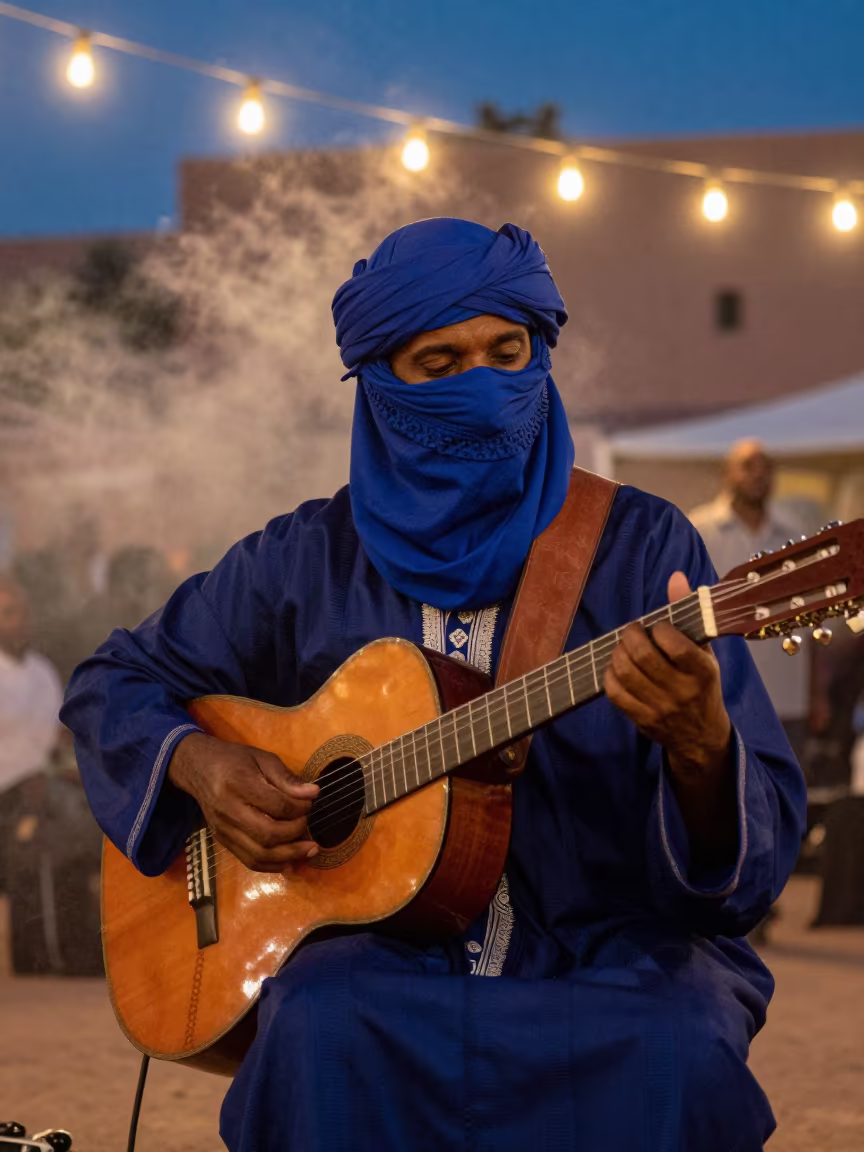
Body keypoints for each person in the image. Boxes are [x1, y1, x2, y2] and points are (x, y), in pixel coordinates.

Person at [62, 219, 805, 1152]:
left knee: (680, 1044)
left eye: (509, 352)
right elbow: (112, 681)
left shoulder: (645, 550)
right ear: (378, 385)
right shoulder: (303, 559)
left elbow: (749, 853)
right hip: (380, 965)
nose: (485, 391)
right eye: (439, 363)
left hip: (606, 950)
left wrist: (701, 748)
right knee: (314, 1027)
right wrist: (202, 766)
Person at [690, 439, 811, 768]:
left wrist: (819, 694)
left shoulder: (794, 535)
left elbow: (810, 619)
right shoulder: (698, 530)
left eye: (766, 468)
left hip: (787, 700)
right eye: (748, 466)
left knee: (788, 807)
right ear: (727, 473)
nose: (758, 475)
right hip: (724, 700)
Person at [0, 576, 64, 892]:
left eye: (24, 611)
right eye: (9, 613)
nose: (21, 621)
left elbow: (57, 739)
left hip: (50, 793)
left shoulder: (43, 671)